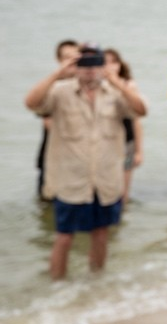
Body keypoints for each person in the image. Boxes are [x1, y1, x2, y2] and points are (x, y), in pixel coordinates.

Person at [24, 43, 148, 279]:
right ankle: (57, 287)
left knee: (101, 233)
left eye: (96, 64)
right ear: (75, 66)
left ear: (103, 66)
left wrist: (116, 81)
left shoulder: (116, 94)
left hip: (105, 181)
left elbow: (140, 110)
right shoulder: (60, 92)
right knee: (64, 237)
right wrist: (57, 74)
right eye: (84, 64)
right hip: (71, 181)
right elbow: (31, 102)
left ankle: (96, 282)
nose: (90, 70)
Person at [36, 39, 79, 200]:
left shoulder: (87, 86)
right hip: (52, 158)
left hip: (77, 163)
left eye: (75, 57)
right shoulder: (52, 87)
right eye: (66, 57)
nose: (71, 61)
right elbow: (48, 122)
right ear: (59, 60)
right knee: (48, 203)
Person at [104, 48, 145, 202]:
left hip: (127, 143)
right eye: (105, 62)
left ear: (120, 65)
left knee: (123, 190)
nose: (110, 66)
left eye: (114, 62)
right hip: (104, 143)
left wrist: (139, 151)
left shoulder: (129, 86)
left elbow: (137, 120)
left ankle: (121, 218)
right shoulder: (96, 87)